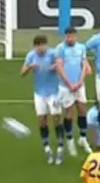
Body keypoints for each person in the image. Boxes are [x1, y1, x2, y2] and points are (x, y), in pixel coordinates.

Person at [22, 35, 64, 165]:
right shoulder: (31, 56)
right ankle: (47, 148)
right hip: (39, 94)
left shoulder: (52, 53)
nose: (42, 47)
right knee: (42, 120)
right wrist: (29, 67)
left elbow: (60, 63)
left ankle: (60, 148)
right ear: (36, 46)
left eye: (44, 45)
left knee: (56, 118)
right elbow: (22, 72)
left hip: (54, 93)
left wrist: (55, 67)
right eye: (40, 45)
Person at [54, 27, 92, 157]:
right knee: (69, 112)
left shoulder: (81, 47)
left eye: (73, 36)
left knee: (82, 110)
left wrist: (81, 81)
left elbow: (84, 66)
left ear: (76, 36)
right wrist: (69, 83)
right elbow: (59, 67)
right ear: (65, 36)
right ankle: (70, 140)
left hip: (79, 85)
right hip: (66, 86)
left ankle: (82, 138)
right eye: (68, 36)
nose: (70, 38)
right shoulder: (60, 48)